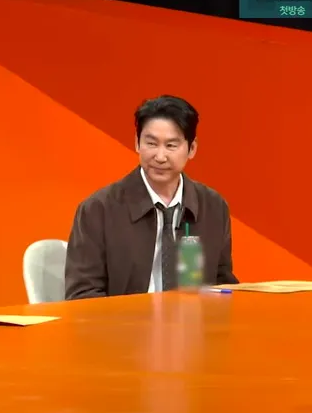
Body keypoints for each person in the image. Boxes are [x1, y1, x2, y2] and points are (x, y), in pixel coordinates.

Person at [63, 95, 237, 300]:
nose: (160, 157)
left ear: (192, 149)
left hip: (193, 319)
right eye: (151, 143)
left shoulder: (213, 207)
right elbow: (83, 295)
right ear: (137, 143)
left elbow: (221, 285)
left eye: (171, 146)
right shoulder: (98, 210)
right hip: (123, 320)